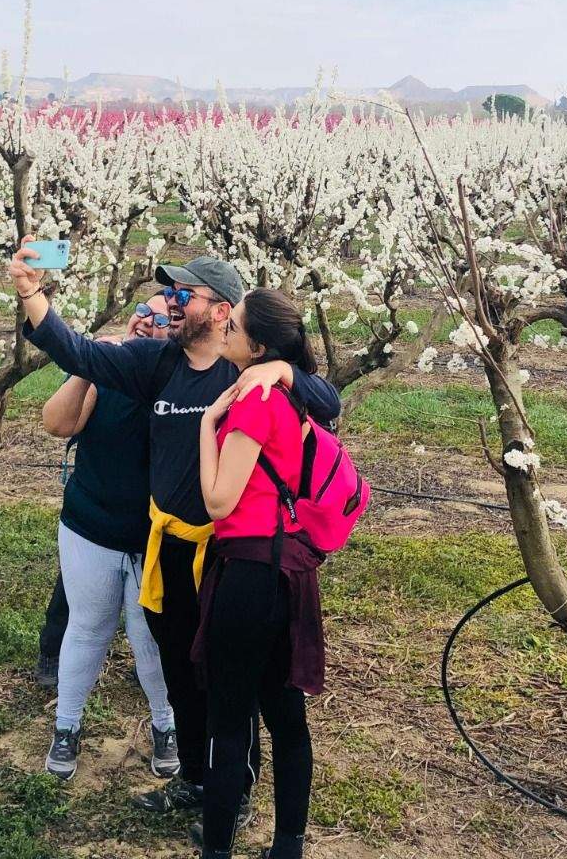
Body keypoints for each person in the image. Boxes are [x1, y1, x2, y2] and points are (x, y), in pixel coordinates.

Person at [9, 248, 340, 826]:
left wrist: (285, 371)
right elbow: (79, 352)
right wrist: (31, 293)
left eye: (183, 296)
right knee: (182, 673)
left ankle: (233, 792)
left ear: (219, 312)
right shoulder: (158, 362)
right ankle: (194, 776)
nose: (170, 304)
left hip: (225, 556)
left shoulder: (245, 372)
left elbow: (326, 401)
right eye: (171, 294)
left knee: (226, 684)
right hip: (168, 549)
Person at [195, 289, 330, 859]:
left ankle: (217, 849)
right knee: (285, 718)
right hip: (287, 575)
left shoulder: (252, 400)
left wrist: (206, 426)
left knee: (228, 726)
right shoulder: (287, 394)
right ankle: (287, 846)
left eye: (236, 322)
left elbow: (220, 502)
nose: (224, 326)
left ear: (258, 344)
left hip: (248, 576)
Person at [40, 292, 183, 782]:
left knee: (150, 640)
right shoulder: (106, 369)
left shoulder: (181, 382)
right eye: (141, 312)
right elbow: (57, 423)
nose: (147, 321)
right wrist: (87, 366)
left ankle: (165, 727)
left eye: (162, 318)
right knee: (87, 627)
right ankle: (67, 726)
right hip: (91, 524)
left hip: (155, 538)